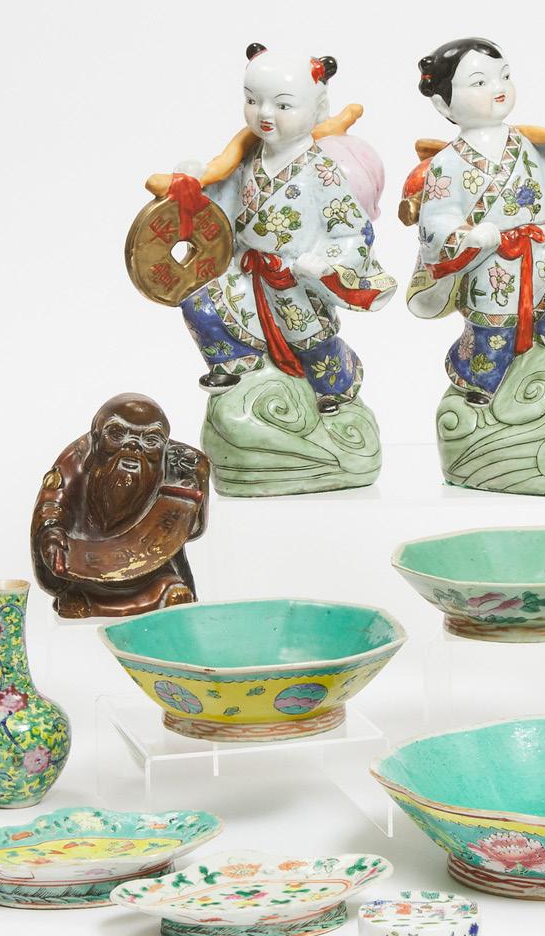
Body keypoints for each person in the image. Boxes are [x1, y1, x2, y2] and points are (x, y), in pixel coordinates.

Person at [159, 45, 396, 415]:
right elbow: (219, 204)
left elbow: (351, 231)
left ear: (318, 108)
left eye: (283, 105)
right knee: (200, 304)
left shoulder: (322, 171)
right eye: (253, 101)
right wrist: (193, 180)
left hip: (292, 277)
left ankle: (337, 389)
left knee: (312, 345)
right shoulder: (247, 159)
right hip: (243, 268)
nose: (265, 114)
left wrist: (324, 262)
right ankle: (234, 367)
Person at [406, 37, 545, 404]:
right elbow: (435, 220)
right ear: (442, 103)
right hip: (491, 258)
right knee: (494, 326)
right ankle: (478, 381)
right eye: (480, 82)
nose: (498, 87)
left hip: (543, 245)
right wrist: (469, 236)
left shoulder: (523, 140)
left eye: (505, 76)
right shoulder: (447, 162)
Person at [30, 393, 209, 618]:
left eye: (150, 440)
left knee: (170, 588)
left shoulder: (180, 463)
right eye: (117, 435)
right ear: (96, 438)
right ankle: (89, 600)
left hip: (150, 565)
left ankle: (111, 604)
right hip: (87, 562)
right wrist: (51, 531)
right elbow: (53, 504)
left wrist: (198, 481)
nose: (133, 446)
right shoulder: (76, 459)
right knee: (74, 584)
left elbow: (193, 529)